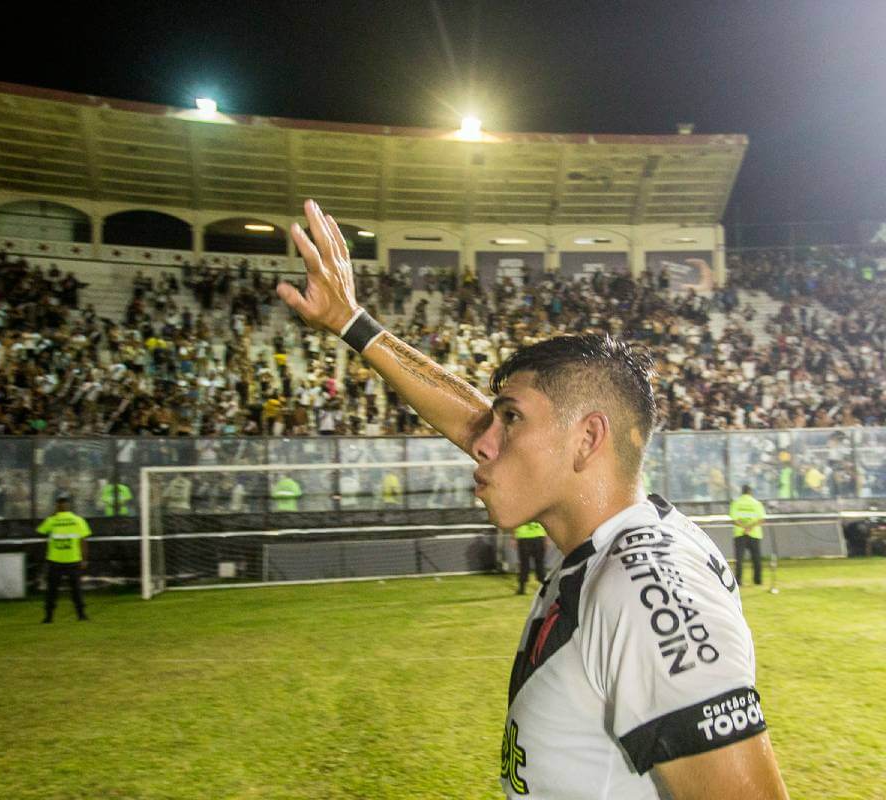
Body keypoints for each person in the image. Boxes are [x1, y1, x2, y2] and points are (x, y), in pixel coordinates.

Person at [276, 199, 787, 799]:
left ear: (588, 438)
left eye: (511, 418)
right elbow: (471, 421)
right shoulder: (610, 550)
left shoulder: (643, 587)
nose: (481, 444)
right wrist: (352, 323)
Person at [36, 492, 91, 623]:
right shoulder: (77, 520)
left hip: (56, 560)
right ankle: (81, 614)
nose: (63, 504)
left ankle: (49, 616)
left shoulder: (52, 520)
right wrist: (84, 559)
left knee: (52, 590)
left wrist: (52, 515)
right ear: (68, 505)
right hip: (71, 560)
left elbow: (40, 531)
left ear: (57, 505)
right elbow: (83, 541)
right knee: (75, 590)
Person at [729, 484, 766, 587]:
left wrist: (744, 527)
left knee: (739, 559)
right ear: (750, 492)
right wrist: (750, 527)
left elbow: (734, 519)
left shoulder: (736, 503)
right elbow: (761, 519)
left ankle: (738, 581)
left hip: (740, 534)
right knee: (756, 559)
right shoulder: (757, 503)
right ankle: (757, 580)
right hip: (754, 534)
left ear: (742, 492)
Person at [512, 520, 547, 595]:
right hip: (538, 536)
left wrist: (513, 537)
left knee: (524, 564)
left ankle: (522, 589)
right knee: (539, 564)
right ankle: (545, 588)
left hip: (524, 537)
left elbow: (514, 522)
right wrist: (545, 538)